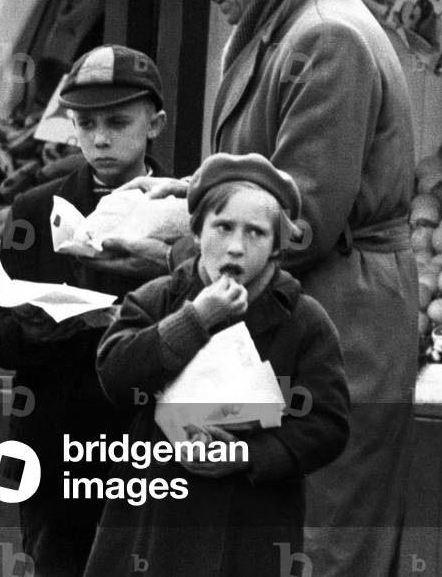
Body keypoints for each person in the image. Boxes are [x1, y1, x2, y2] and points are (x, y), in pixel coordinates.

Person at [119, 0, 418, 575]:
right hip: (288, 308)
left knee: (322, 536)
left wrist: (161, 247)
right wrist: (182, 191)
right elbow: (258, 171)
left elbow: (301, 218)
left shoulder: (324, 36)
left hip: (344, 318)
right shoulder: (276, 25)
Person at [84, 152, 349, 577]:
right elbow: (116, 376)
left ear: (278, 245)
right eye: (223, 226)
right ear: (196, 230)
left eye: (257, 233)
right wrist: (195, 320)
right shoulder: (158, 299)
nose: (236, 247)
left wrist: (248, 454)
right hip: (154, 519)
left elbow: (328, 426)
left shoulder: (303, 320)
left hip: (251, 522)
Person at [0, 44, 168, 575]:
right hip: (51, 449)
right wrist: (28, 326)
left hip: (146, 445)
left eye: (118, 122)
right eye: (85, 123)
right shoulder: (35, 210)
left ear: (155, 125)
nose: (100, 138)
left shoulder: (183, 211)